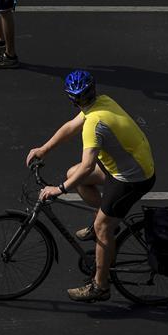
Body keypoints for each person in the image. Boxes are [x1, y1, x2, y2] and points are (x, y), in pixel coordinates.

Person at [25, 71, 156, 302]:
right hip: (125, 166)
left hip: (132, 178)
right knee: (72, 174)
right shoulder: (102, 102)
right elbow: (70, 127)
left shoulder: (94, 124)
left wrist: (59, 189)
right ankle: (107, 219)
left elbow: (87, 167)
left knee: (102, 225)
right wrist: (44, 149)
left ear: (71, 98)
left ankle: (100, 287)